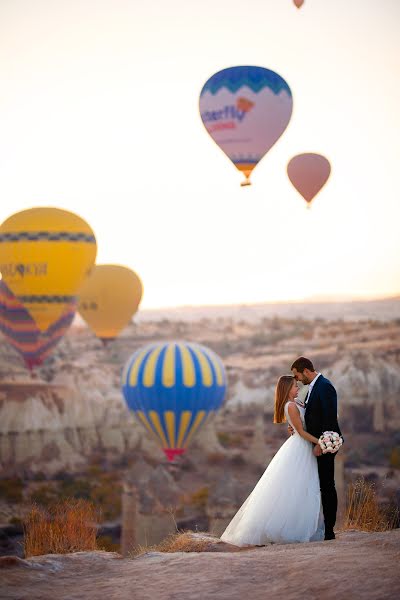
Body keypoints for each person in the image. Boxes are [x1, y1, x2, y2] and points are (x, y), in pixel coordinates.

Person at [220, 375, 324, 546]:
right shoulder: (290, 406)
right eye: (294, 386)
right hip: (300, 447)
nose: (298, 388)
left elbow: (304, 422)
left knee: (305, 487)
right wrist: (320, 441)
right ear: (286, 389)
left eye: (297, 386)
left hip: (302, 446)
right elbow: (301, 431)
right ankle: (291, 529)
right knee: (297, 487)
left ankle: (301, 526)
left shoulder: (297, 403)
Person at [291, 356, 342, 541]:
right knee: (321, 485)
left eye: (297, 375)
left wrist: (322, 444)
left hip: (324, 444)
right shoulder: (312, 387)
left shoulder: (325, 386)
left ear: (306, 370)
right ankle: (318, 527)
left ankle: (329, 530)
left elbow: (329, 418)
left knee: (327, 486)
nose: (296, 380)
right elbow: (313, 416)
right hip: (316, 443)